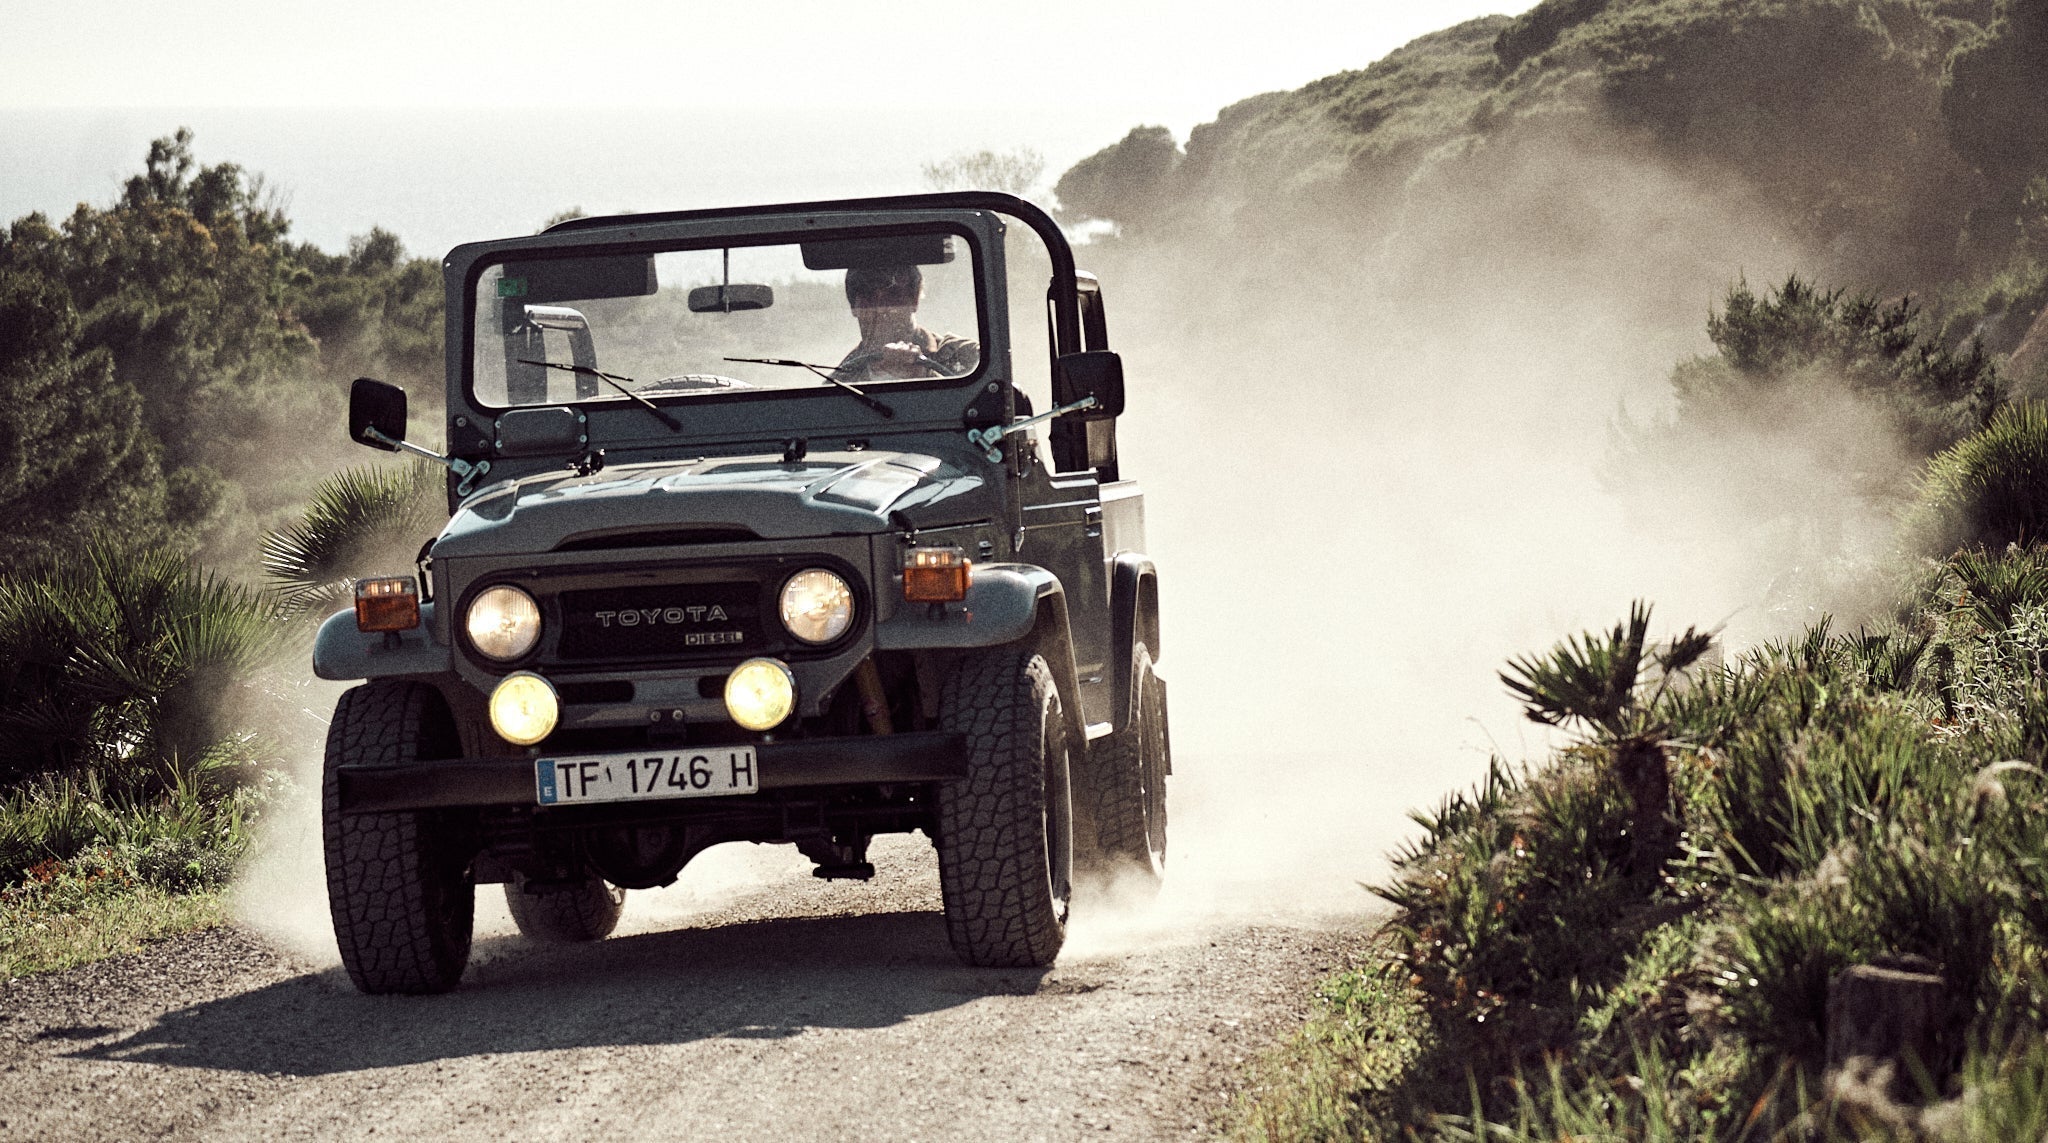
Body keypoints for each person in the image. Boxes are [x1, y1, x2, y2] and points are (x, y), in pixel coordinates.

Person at [838, 265, 980, 381]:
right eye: (869, 298)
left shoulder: (968, 357)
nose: (881, 309)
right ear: (854, 307)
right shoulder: (839, 379)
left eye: (893, 295)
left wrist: (925, 375)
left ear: (914, 300)